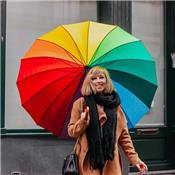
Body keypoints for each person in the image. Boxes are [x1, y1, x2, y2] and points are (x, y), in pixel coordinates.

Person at [68, 66, 148, 175]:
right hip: (89, 160)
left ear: (107, 80)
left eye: (101, 77)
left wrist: (135, 160)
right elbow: (72, 132)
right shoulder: (80, 104)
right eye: (94, 78)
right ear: (89, 82)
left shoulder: (115, 105)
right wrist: (82, 122)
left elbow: (124, 137)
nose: (98, 81)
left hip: (110, 161)